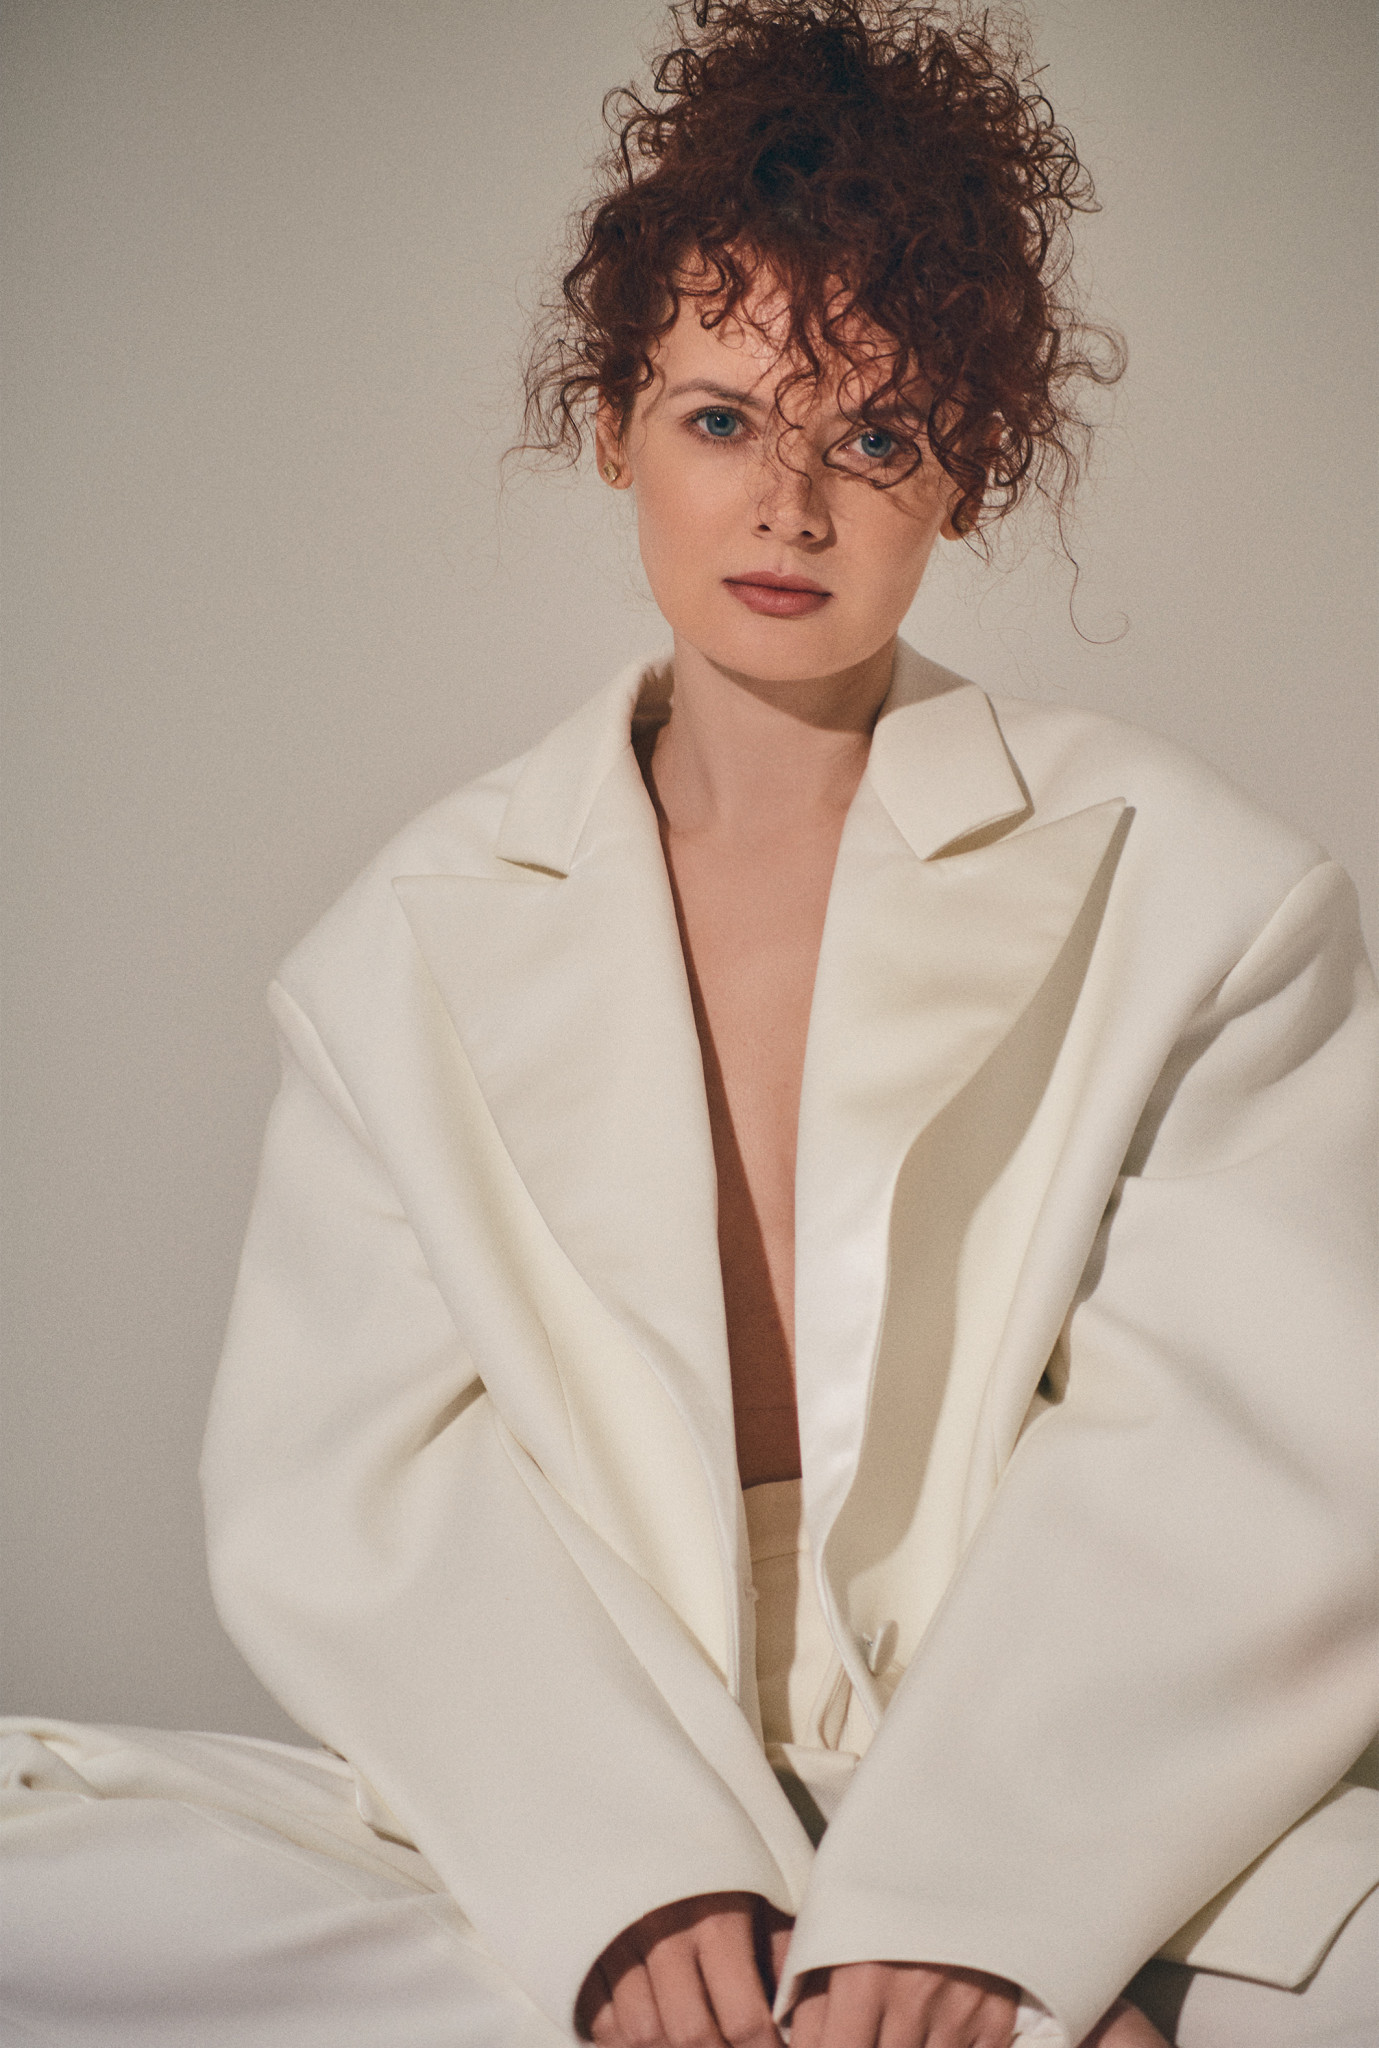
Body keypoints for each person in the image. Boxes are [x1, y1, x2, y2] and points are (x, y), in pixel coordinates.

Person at [3, 4, 1375, 2045]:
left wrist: (983, 1907)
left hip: (1071, 1781)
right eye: (725, 419)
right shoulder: (401, 950)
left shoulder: (1209, 897)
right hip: (594, 1777)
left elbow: (1249, 1452)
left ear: (968, 465)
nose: (791, 506)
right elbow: (357, 1487)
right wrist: (632, 1877)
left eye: (877, 436)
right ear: (612, 427)